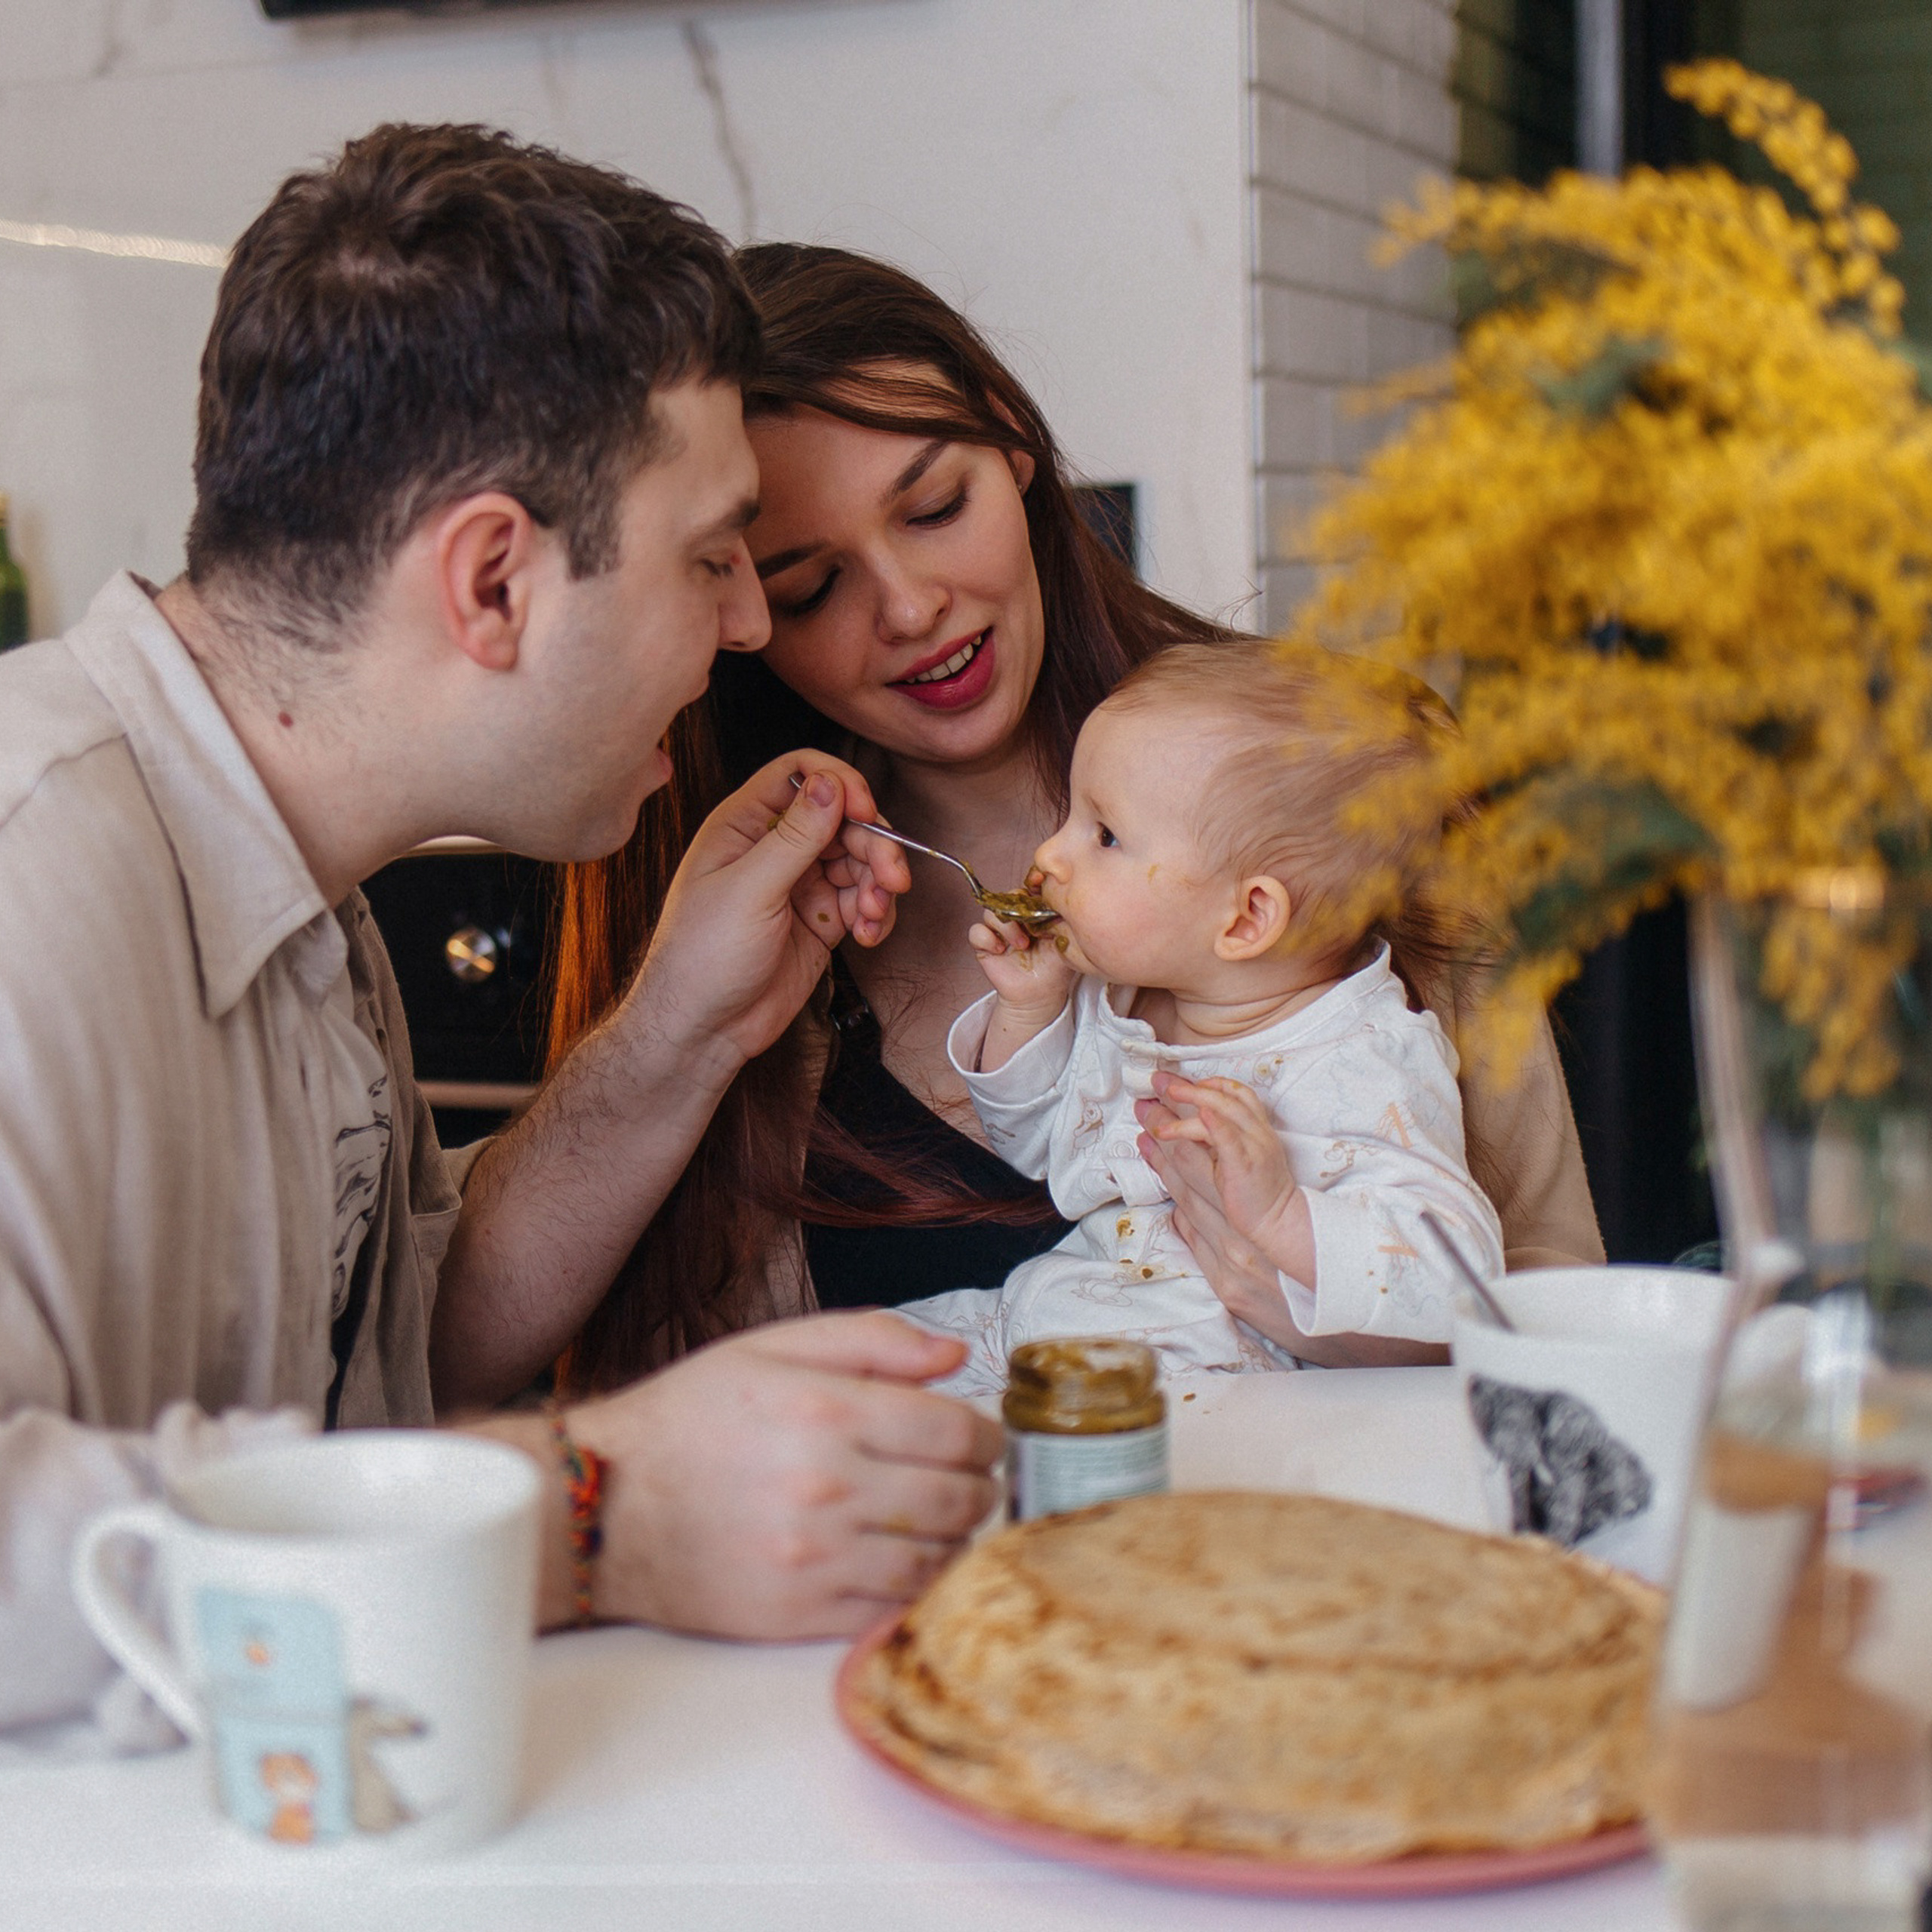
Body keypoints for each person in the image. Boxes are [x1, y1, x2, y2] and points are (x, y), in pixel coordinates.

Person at [0, 128, 1003, 1746]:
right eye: (710, 558)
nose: (749, 622)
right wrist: (601, 1513)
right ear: (492, 584)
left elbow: (410, 1349)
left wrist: (675, 1031)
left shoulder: (304, 882)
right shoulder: (26, 867)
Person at [544, 245, 1603, 1395]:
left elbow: (1552, 1287)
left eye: (936, 508)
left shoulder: (1341, 788)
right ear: (741, 609)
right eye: (813, 587)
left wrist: (1323, 1294)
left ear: (1014, 445)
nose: (911, 607)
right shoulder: (739, 908)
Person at [901, 641, 1506, 1389]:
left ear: (1246, 918)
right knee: (844, 1363)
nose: (1050, 854)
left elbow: (1463, 1281)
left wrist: (1284, 1217)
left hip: (1206, 1382)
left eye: (1105, 835)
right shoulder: (1124, 997)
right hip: (1045, 1321)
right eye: (1072, 817)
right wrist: (1030, 1009)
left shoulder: (1367, 1058)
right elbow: (1037, 1150)